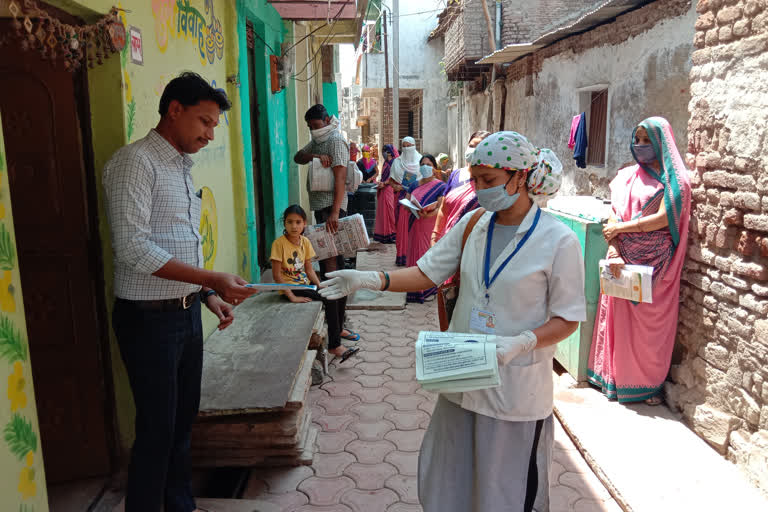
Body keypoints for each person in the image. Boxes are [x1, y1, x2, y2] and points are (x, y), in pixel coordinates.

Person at [318, 131, 586, 512]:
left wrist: (522, 342)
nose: (478, 189)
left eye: (488, 181)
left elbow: (568, 317)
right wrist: (369, 279)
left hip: (515, 387)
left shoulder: (558, 241)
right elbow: (426, 272)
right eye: (474, 179)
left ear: (521, 177)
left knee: (505, 490)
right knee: (449, 479)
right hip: (462, 371)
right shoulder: (476, 222)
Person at [103, 72, 257, 512]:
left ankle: (180, 505)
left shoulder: (179, 167)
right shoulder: (136, 163)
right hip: (148, 320)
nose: (210, 134)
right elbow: (133, 247)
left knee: (182, 424)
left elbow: (175, 240)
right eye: (205, 122)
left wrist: (208, 297)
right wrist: (211, 279)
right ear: (175, 110)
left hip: (185, 315)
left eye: (213, 126)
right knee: (157, 429)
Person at [588, 117, 692, 405]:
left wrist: (621, 230)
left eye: (648, 140)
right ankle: (614, 379)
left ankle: (646, 385)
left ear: (662, 142)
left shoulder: (677, 182)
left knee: (650, 327)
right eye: (638, 139)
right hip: (622, 258)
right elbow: (613, 215)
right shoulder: (626, 176)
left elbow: (661, 219)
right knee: (619, 320)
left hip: (656, 265)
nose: (641, 145)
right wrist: (613, 250)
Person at [293, 104, 359, 342]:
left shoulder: (334, 140)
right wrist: (314, 156)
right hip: (323, 212)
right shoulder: (319, 142)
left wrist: (334, 212)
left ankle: (334, 339)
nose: (313, 130)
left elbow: (340, 177)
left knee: (331, 273)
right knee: (335, 270)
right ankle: (338, 327)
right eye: (310, 127)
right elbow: (298, 157)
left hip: (332, 213)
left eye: (316, 125)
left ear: (326, 120)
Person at [271, 205, 359, 362]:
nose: (294, 226)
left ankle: (337, 330)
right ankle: (335, 345)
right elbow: (277, 276)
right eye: (290, 222)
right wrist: (292, 297)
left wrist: (320, 285)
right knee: (330, 299)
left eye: (298, 222)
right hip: (292, 288)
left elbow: (310, 270)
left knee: (340, 292)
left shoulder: (305, 242)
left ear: (304, 223)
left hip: (306, 285)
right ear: (284, 223)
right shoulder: (279, 244)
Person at [431, 131, 492, 246]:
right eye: (471, 146)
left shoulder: (490, 181)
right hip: (448, 242)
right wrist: (435, 237)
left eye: (479, 147)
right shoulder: (455, 175)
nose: (473, 150)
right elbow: (443, 210)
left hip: (475, 244)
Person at [406, 154, 446, 303]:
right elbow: (407, 201)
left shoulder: (441, 186)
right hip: (414, 223)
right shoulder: (414, 184)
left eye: (429, 164)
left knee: (426, 255)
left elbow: (442, 207)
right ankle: (413, 290)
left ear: (434, 168)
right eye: (423, 164)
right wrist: (412, 209)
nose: (425, 167)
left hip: (429, 224)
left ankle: (428, 289)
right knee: (414, 254)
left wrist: (428, 214)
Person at [391, 136, 421, 266]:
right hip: (401, 199)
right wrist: (397, 186)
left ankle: (414, 256)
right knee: (401, 228)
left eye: (410, 146)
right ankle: (402, 255)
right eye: (405, 146)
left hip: (416, 199)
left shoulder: (421, 161)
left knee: (414, 228)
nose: (407, 149)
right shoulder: (397, 162)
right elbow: (392, 180)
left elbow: (425, 180)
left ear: (414, 146)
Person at [373, 144, 399, 243]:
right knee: (383, 212)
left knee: (390, 212)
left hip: (389, 189)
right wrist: (380, 182)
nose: (383, 153)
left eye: (385, 151)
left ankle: (392, 234)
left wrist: (384, 183)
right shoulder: (385, 162)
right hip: (383, 189)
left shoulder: (394, 163)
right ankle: (384, 234)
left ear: (389, 152)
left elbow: (394, 177)